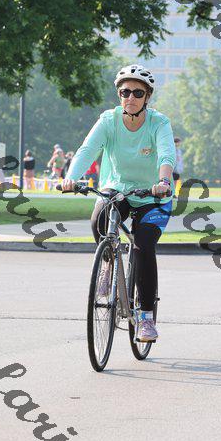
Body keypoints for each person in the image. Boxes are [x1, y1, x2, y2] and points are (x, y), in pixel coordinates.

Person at [63, 64, 176, 342]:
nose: (131, 97)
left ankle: (146, 318)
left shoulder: (159, 123)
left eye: (138, 93)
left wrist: (163, 181)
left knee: (143, 245)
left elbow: (166, 155)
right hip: (118, 189)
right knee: (99, 220)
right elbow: (87, 150)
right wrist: (71, 178)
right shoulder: (108, 120)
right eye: (125, 92)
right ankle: (108, 264)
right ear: (119, 95)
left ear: (147, 96)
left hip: (154, 195)